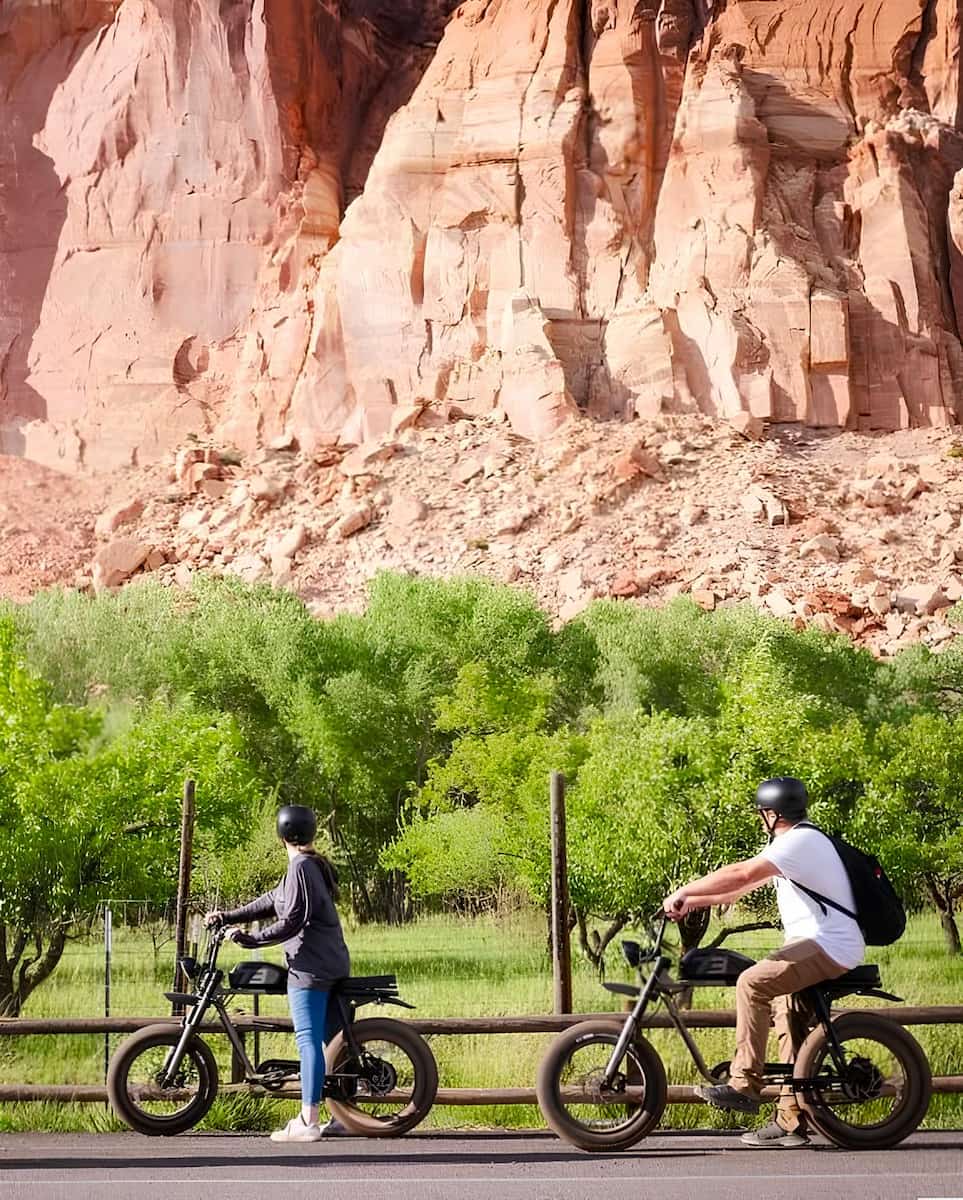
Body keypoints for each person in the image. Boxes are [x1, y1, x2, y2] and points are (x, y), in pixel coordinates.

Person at [662, 777, 864, 1149]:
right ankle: (791, 1121)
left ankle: (744, 1083)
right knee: (785, 1011)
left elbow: (741, 873)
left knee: (752, 982)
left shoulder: (800, 842)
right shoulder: (791, 843)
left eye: (761, 814)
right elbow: (740, 888)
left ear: (771, 815)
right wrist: (693, 903)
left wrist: (684, 889)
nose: (760, 820)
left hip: (828, 945)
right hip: (815, 945)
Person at [206, 804, 351, 1143]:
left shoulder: (301, 867)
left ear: (282, 835)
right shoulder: (309, 865)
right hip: (330, 962)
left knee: (308, 1040)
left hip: (310, 968)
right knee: (333, 1042)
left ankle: (308, 1120)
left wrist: (251, 938)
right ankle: (346, 1114)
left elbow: (293, 919)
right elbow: (272, 900)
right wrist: (229, 916)